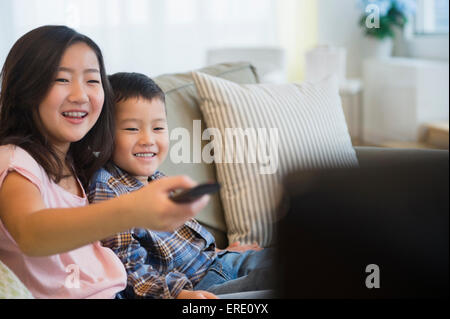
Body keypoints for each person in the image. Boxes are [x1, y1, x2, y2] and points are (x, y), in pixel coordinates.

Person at [0, 25, 209, 299]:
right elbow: (31, 233)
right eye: (61, 79)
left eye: (92, 80)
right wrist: (133, 209)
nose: (80, 95)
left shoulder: (76, 166)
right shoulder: (15, 159)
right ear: (25, 88)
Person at [88, 72, 275, 299]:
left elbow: (183, 240)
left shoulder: (155, 177)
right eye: (132, 129)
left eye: (158, 128)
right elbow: (128, 270)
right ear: (103, 133)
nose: (148, 139)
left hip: (218, 263)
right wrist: (178, 295)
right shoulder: (107, 188)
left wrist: (222, 251)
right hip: (196, 287)